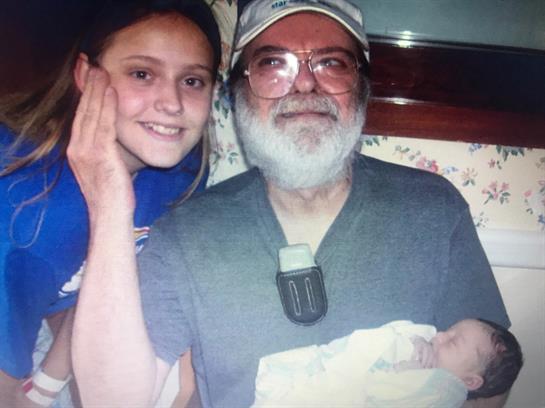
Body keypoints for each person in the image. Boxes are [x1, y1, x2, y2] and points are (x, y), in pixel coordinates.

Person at [71, 0, 511, 406]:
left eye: (331, 63)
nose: (304, 83)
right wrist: (108, 205)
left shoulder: (434, 209)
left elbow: (487, 384)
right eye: (273, 64)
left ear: (361, 88)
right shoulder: (185, 233)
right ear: (237, 93)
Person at [0, 0, 221, 406]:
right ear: (87, 76)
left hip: (59, 305)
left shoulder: (179, 171)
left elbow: (103, 282)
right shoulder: (22, 214)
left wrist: (47, 385)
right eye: (142, 74)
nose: (172, 103)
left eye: (192, 81)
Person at [251, 319, 523, 406]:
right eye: (448, 330)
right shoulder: (429, 348)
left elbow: (385, 392)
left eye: (452, 342)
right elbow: (395, 334)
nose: (439, 335)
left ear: (469, 381)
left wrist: (405, 374)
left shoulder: (443, 392)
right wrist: (416, 339)